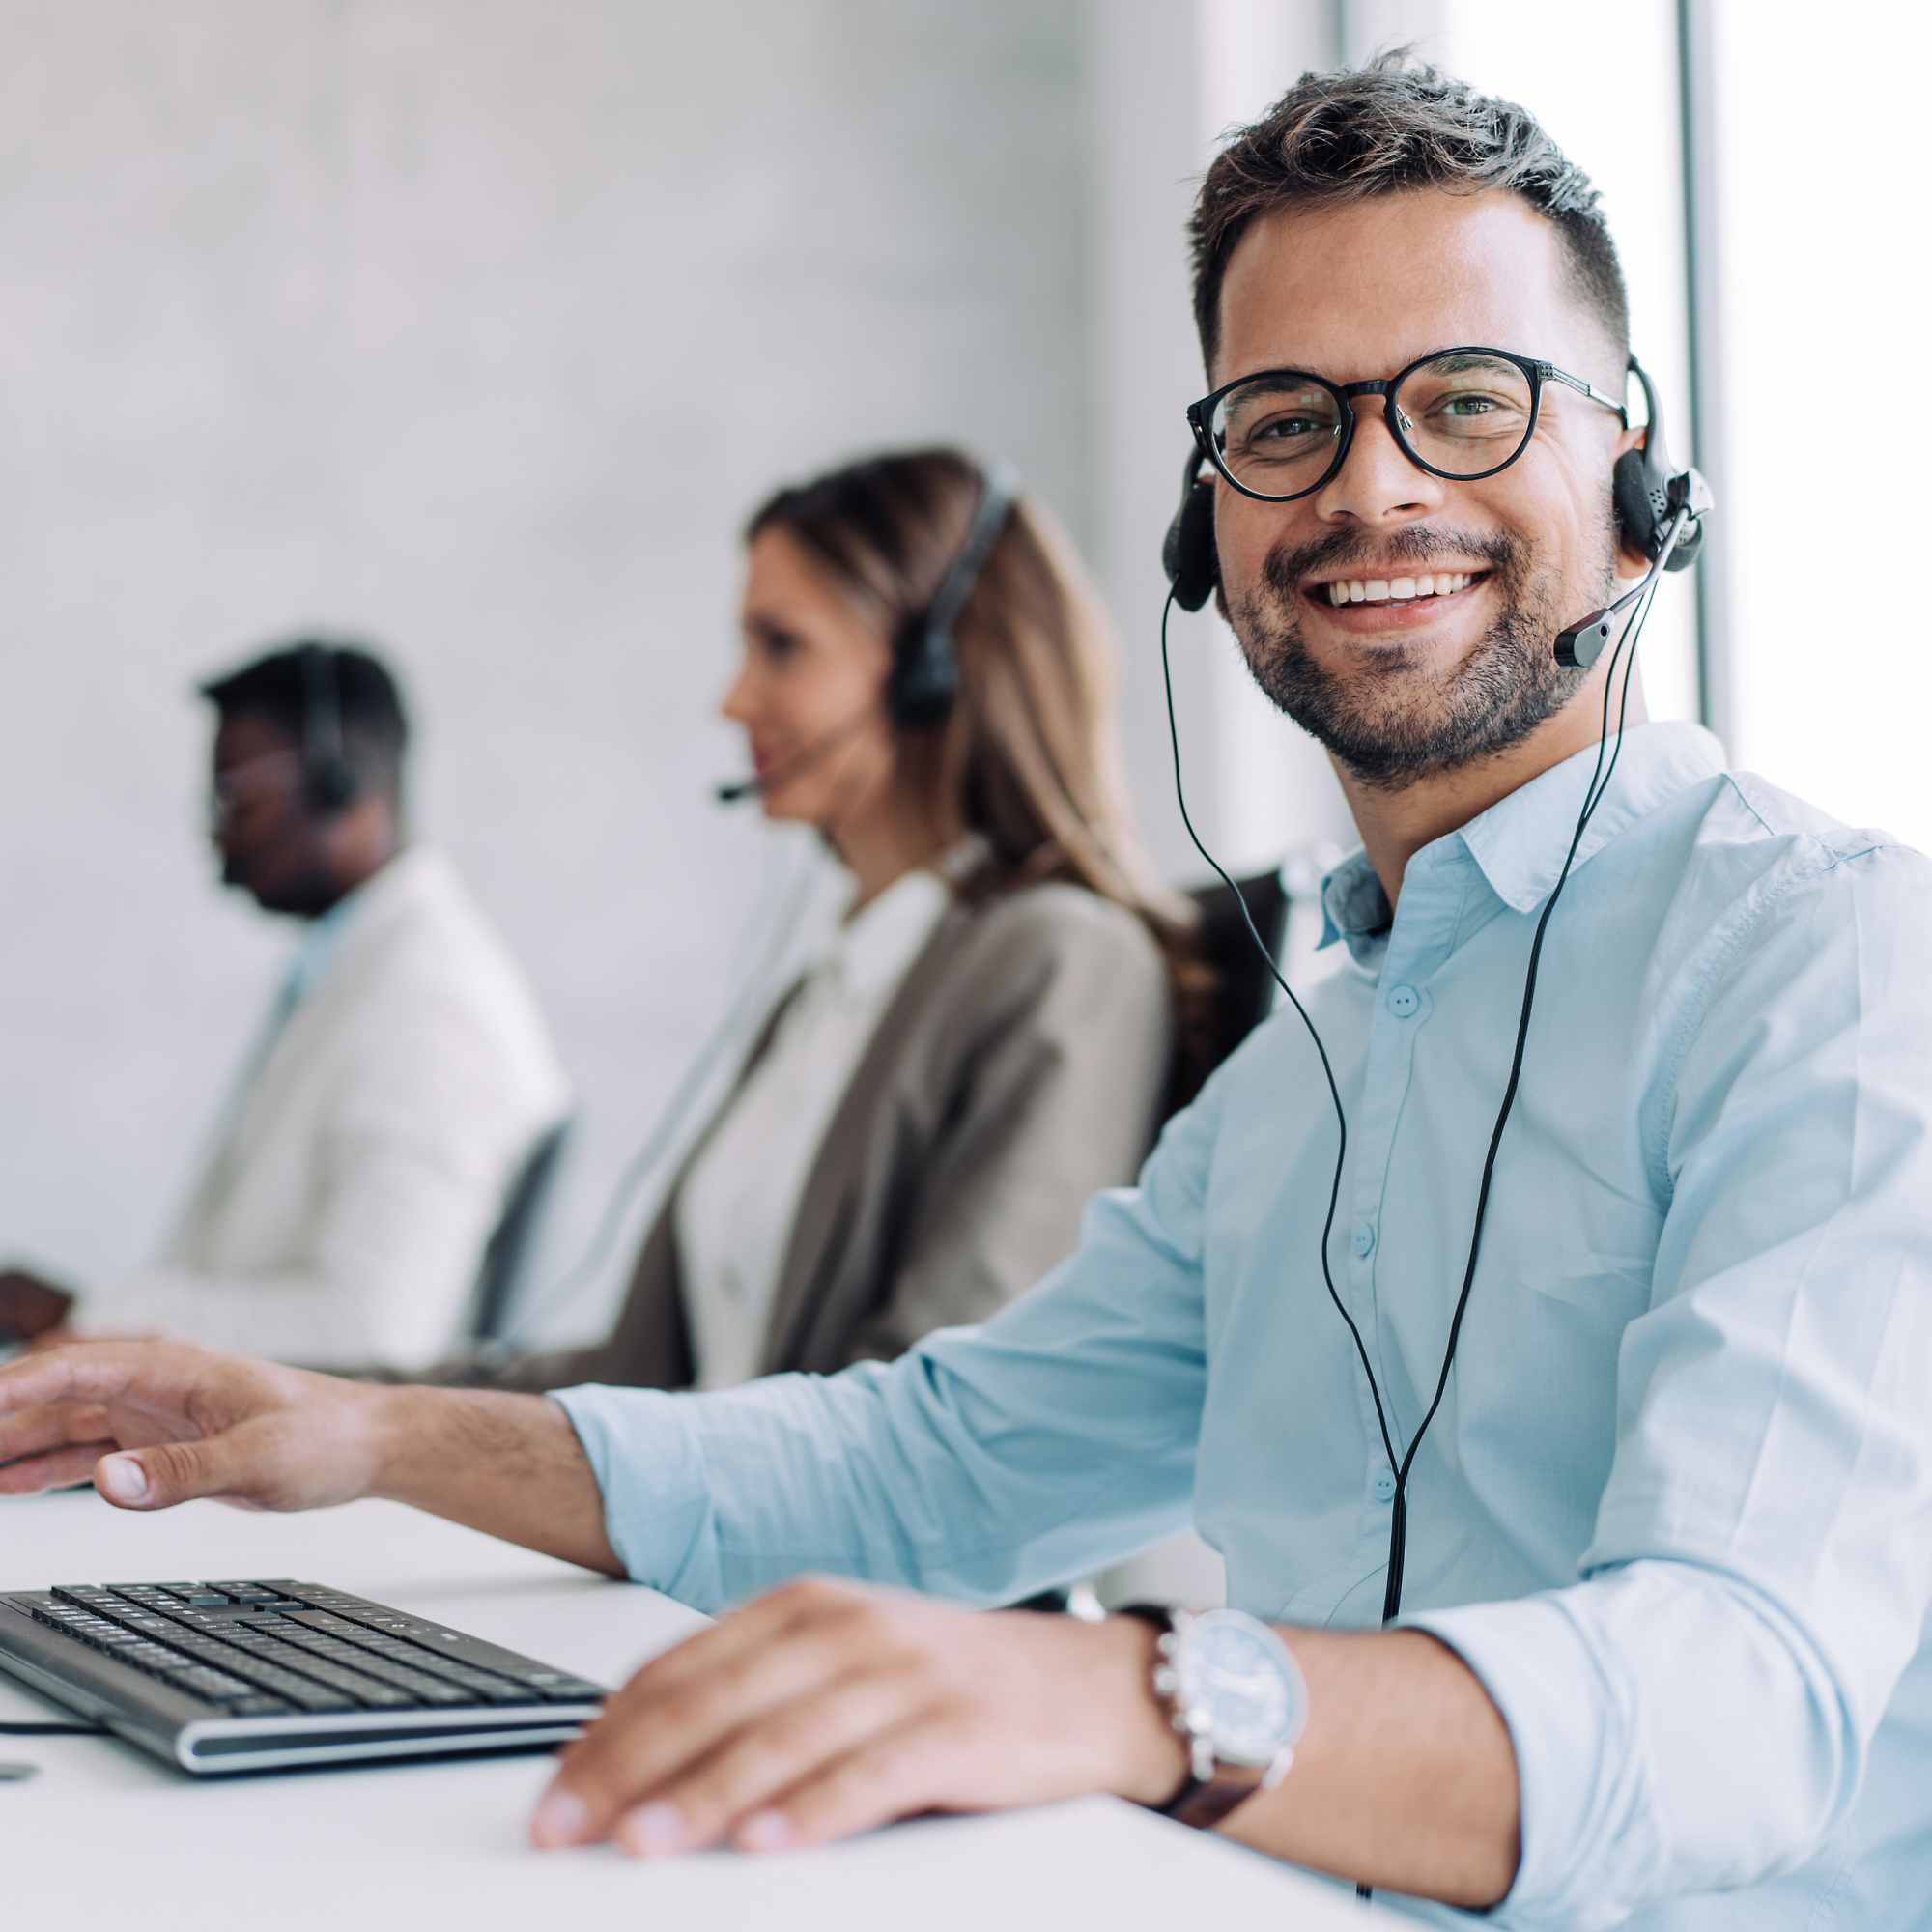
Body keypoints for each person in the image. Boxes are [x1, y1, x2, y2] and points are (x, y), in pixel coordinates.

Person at [3, 59, 1926, 1928]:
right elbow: (923, 1461)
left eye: (1466, 399)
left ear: (1633, 464)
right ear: (1209, 525)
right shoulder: (1308, 1079)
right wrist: (357, 1431)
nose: (1370, 483)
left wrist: (1130, 1695)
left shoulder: (1827, 966)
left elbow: (1733, 1697)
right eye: (1282, 421)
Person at [452, 450, 1184, 1393]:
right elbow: (631, 1377)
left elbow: (949, 1413)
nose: (733, 698)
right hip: (725, 1536)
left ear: (933, 666)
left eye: (781, 644)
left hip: (824, 1545)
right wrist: (308, 1396)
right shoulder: (831, 989)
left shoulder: (1061, 961)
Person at [0, 643, 571, 1372]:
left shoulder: (432, 1007)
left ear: (342, 784)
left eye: (235, 798)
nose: (216, 834)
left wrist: (91, 1318)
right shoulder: (350, 969)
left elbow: (374, 1331)